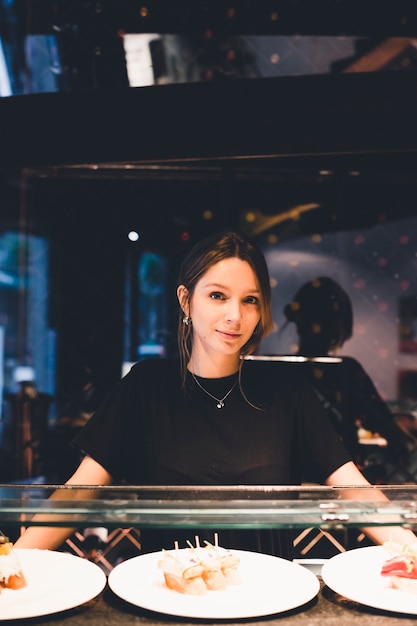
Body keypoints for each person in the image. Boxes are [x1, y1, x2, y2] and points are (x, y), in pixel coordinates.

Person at [15, 231, 416, 556]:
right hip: (166, 599)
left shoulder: (288, 392)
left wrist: (411, 553)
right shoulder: (146, 384)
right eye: (218, 295)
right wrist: (15, 565)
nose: (234, 316)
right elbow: (79, 492)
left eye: (250, 301)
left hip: (270, 600)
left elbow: (354, 488)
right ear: (186, 300)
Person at [283, 276, 410, 482]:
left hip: (289, 481)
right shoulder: (345, 371)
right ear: (339, 324)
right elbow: (385, 427)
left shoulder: (278, 371)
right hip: (342, 481)